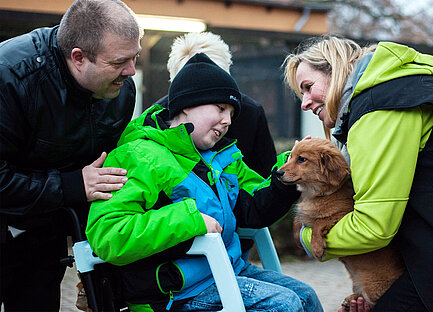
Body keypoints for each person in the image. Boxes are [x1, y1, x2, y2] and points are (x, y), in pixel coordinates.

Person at [86, 52, 323, 312]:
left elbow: (255, 206)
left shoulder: (222, 158)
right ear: (187, 105)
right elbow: (108, 235)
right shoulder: (139, 156)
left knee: (306, 296)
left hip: (224, 270)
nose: (228, 121)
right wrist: (190, 220)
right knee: (284, 305)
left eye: (231, 113)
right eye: (221, 109)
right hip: (173, 293)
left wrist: (288, 169)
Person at [284, 35, 433, 311]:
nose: (305, 102)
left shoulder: (379, 107)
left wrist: (306, 237)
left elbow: (373, 228)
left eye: (309, 87)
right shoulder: (393, 90)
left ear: (335, 71)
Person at [0, 0, 143, 310]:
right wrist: (71, 186)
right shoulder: (9, 78)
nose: (131, 71)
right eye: (120, 61)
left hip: (42, 231)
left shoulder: (120, 91)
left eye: (135, 57)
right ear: (78, 57)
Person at [154, 31, 278, 256]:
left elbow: (263, 179)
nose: (225, 120)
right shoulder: (158, 122)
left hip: (236, 234)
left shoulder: (250, 113)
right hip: (177, 247)